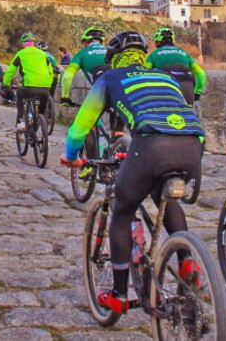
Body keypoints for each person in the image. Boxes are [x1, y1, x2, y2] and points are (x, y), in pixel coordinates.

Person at [60, 31, 205, 314]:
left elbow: (79, 129)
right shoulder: (165, 77)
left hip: (151, 144)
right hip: (192, 144)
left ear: (114, 58)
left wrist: (72, 157)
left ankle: (118, 294)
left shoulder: (110, 78)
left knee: (123, 211)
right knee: (166, 199)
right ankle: (187, 260)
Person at [3, 32, 54, 132]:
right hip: (45, 88)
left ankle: (21, 121)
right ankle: (42, 120)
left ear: (22, 44)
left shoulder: (20, 54)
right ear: (34, 43)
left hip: (29, 87)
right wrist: (49, 83)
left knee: (19, 95)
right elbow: (50, 71)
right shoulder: (43, 54)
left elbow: (10, 71)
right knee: (42, 110)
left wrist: (6, 84)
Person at [145, 27, 206, 106]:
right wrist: (197, 94)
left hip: (169, 89)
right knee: (187, 113)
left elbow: (143, 73)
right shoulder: (184, 53)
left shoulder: (154, 55)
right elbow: (201, 74)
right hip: (188, 89)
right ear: (173, 41)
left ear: (157, 42)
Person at [60, 27, 109, 105]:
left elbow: (67, 77)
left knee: (86, 112)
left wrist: (64, 97)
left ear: (86, 42)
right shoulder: (111, 52)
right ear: (101, 41)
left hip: (99, 93)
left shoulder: (81, 54)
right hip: (121, 91)